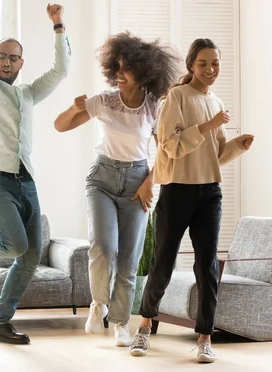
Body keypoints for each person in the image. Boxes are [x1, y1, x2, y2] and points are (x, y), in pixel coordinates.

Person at [129, 38, 254, 363]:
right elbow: (170, 146)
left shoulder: (216, 101)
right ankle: (144, 325)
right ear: (190, 65)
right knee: (164, 263)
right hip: (177, 191)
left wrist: (237, 146)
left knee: (207, 266)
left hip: (209, 192)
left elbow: (215, 155)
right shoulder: (177, 97)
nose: (210, 70)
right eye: (203, 64)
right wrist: (209, 125)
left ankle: (204, 337)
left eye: (215, 63)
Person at [0, 0, 70, 344]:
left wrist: (58, 26)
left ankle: (0, 323)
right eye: (2, 56)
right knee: (16, 245)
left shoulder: (26, 93)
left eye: (14, 57)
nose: (7, 61)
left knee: (30, 254)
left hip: (25, 179)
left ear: (21, 63)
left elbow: (60, 72)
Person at [54, 32, 180, 347]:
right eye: (117, 68)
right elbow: (61, 125)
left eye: (126, 69)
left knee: (129, 259)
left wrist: (150, 182)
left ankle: (121, 323)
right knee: (103, 247)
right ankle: (99, 304)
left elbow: (164, 151)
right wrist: (73, 108)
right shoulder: (105, 100)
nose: (119, 75)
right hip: (102, 179)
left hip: (138, 182)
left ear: (144, 72)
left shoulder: (154, 107)